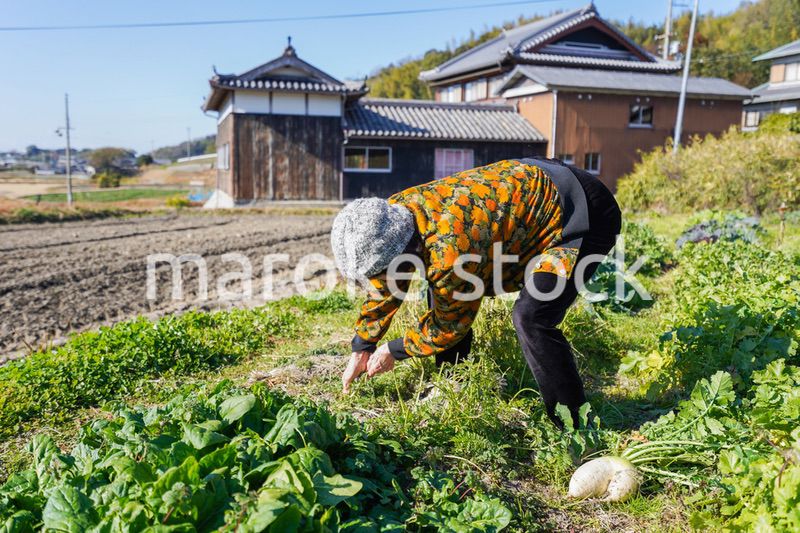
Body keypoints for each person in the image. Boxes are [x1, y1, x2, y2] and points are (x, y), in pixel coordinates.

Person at [330, 157, 621, 426]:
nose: (377, 279)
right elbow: (388, 282)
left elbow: (448, 325)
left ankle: (574, 423)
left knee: (532, 317)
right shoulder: (395, 214)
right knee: (443, 291)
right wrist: (363, 345)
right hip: (530, 192)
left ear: (400, 250)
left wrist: (393, 350)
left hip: (582, 211)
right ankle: (452, 383)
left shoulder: (450, 253)